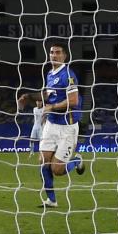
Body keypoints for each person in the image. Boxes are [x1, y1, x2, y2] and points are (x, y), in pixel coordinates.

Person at [34, 44, 86, 208]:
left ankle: (76, 161)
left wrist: (52, 107)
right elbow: (51, 95)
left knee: (57, 169)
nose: (54, 55)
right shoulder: (49, 74)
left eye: (57, 53)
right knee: (43, 162)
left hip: (67, 127)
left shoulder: (68, 75)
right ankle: (52, 200)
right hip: (51, 124)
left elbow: (73, 101)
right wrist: (43, 101)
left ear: (64, 56)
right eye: (51, 52)